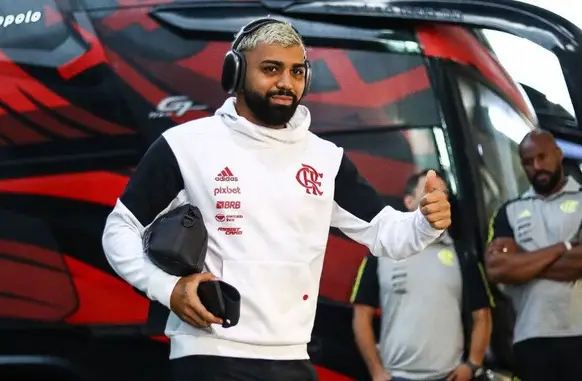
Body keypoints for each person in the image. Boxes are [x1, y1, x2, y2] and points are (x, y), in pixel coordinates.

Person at [101, 17, 451, 381]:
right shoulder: (185, 145)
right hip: (207, 356)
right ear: (235, 72)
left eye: (297, 71)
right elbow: (118, 231)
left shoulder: (325, 159)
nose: (286, 82)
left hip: (293, 357)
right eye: (271, 69)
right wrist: (167, 289)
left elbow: (387, 234)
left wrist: (425, 222)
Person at [351, 170, 493, 381]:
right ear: (409, 202)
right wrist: (376, 372)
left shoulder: (462, 254)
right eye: (431, 191)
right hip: (396, 377)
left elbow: (482, 315)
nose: (440, 198)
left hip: (448, 376)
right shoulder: (382, 251)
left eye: (444, 193)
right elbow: (361, 316)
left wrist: (472, 365)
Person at [485, 130, 582, 381]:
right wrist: (564, 248)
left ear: (558, 155)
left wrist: (522, 262)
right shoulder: (509, 211)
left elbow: (511, 268)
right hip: (531, 338)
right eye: (528, 162)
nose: (537, 166)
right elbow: (498, 270)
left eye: (542, 157)